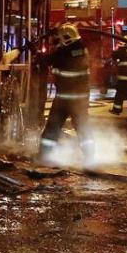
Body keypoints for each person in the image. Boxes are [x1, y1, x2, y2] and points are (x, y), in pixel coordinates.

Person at [40, 23, 93, 161]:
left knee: (53, 127)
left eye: (60, 38)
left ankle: (44, 155)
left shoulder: (63, 53)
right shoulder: (81, 48)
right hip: (80, 99)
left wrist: (37, 53)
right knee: (83, 128)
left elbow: (47, 60)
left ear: (66, 38)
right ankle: (90, 156)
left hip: (64, 99)